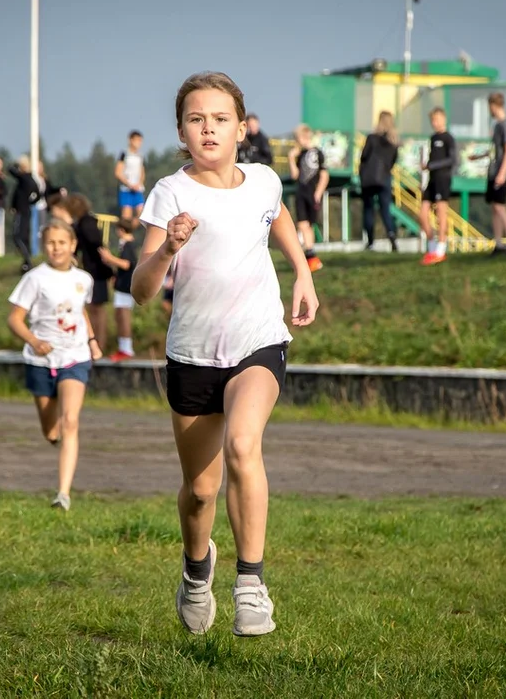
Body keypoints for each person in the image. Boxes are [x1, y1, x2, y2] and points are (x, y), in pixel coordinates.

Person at [130, 71, 319, 638]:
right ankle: (195, 570)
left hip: (257, 341)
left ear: (241, 127)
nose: (208, 128)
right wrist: (168, 247)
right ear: (183, 134)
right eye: (195, 119)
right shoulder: (171, 193)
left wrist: (302, 273)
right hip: (192, 355)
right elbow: (140, 291)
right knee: (200, 492)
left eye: (219, 118)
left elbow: (277, 215)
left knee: (244, 445)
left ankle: (252, 585)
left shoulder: (263, 180)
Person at [7, 219, 103, 511]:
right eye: (51, 243)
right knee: (51, 431)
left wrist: (92, 340)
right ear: (44, 246)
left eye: (62, 242)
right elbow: (14, 319)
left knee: (71, 421)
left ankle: (63, 494)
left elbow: (79, 312)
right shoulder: (35, 279)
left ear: (72, 245)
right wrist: (34, 341)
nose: (56, 248)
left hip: (75, 357)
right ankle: (56, 433)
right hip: (40, 359)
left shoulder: (83, 280)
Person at [63, 193, 113, 353]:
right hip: (94, 270)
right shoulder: (85, 222)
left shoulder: (86, 224)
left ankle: (99, 343)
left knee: (96, 309)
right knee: (94, 308)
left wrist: (107, 270)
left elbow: (96, 246)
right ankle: (96, 342)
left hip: (96, 271)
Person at [470, 93, 506, 254]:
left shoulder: (505, 125)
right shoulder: (496, 126)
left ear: (494, 105)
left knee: (500, 206)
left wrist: (502, 174)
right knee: (494, 208)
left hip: (500, 173)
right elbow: (495, 150)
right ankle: (499, 243)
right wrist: (478, 156)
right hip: (493, 172)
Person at [357, 111, 400, 251]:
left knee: (369, 209)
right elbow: (393, 162)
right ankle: (392, 238)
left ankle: (370, 242)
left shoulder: (372, 138)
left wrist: (362, 173)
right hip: (385, 178)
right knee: (385, 210)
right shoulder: (393, 143)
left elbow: (364, 157)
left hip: (369, 178)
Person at [98, 218, 139, 361]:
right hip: (122, 285)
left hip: (126, 287)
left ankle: (126, 348)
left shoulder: (128, 245)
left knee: (124, 316)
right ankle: (123, 347)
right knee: (120, 316)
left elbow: (127, 264)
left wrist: (109, 258)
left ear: (121, 230)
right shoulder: (127, 245)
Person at [419, 107, 456, 266]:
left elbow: (451, 160)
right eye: (433, 120)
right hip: (432, 180)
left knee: (441, 213)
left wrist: (433, 165)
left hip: (443, 179)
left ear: (444, 119)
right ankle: (431, 246)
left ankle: (441, 249)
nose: (435, 123)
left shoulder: (448, 138)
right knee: (423, 212)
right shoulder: (432, 138)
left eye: (437, 119)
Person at [288, 124, 327, 271]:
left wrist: (318, 192)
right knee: (302, 224)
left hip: (313, 193)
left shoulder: (317, 153)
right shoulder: (301, 155)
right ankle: (311, 256)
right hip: (301, 193)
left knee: (309, 225)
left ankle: (311, 257)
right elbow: (295, 175)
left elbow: (324, 175)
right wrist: (291, 159)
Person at [9, 155, 43, 273]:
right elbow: (38, 194)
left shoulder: (23, 178)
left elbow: (11, 170)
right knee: (24, 236)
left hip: (21, 210)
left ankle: (27, 259)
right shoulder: (32, 179)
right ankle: (26, 261)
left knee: (17, 236)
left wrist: (14, 164)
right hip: (27, 209)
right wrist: (30, 202)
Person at [116, 131, 146, 222]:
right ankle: (125, 232)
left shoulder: (140, 156)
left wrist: (139, 184)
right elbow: (118, 172)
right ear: (131, 140)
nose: (139, 143)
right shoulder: (124, 154)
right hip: (126, 189)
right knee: (126, 216)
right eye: (137, 140)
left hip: (137, 189)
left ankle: (131, 231)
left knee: (141, 214)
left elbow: (142, 172)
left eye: (140, 141)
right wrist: (129, 184)